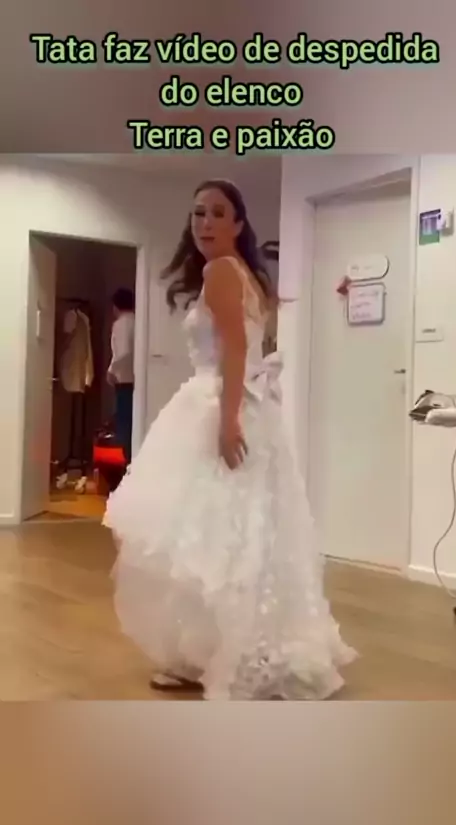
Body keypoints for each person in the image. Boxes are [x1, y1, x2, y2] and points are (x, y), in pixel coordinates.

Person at [103, 179, 356, 700]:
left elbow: (237, 349)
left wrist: (228, 419)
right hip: (246, 408)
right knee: (241, 531)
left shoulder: (221, 271)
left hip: (220, 402)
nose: (205, 223)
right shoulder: (246, 274)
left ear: (238, 223)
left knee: (204, 533)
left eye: (218, 213)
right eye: (199, 213)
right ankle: (227, 647)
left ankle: (218, 652)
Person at [107, 288, 135, 466]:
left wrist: (111, 370)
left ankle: (126, 465)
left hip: (123, 379)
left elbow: (123, 351)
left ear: (116, 306)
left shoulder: (121, 324)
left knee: (124, 423)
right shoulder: (137, 321)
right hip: (135, 378)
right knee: (132, 422)